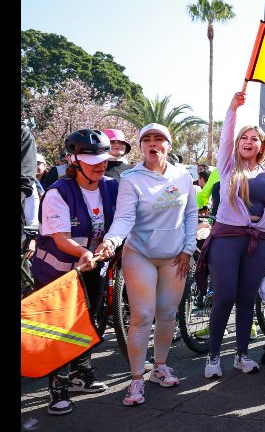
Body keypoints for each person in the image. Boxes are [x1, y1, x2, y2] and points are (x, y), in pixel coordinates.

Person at [96, 123, 198, 407]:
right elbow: (124, 218)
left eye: (159, 139)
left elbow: (191, 214)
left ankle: (160, 367)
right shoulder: (130, 178)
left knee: (166, 314)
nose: (153, 144)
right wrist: (111, 240)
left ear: (169, 144)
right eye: (147, 140)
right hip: (139, 253)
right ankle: (136, 378)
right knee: (142, 315)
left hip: (175, 256)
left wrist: (189, 248)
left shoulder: (183, 176)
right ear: (140, 147)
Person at [30, 129, 117, 415]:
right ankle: (58, 390)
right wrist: (83, 252)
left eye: (104, 158)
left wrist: (109, 246)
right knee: (61, 328)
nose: (101, 164)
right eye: (92, 159)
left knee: (87, 320)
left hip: (91, 268)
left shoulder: (111, 186)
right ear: (74, 160)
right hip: (58, 272)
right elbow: (60, 239)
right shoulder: (58, 192)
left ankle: (82, 375)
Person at [195, 91, 265, 378]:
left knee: (246, 299)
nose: (247, 142)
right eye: (244, 138)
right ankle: (214, 357)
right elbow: (226, 136)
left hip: (258, 243)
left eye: (253, 139)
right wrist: (232, 109)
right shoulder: (228, 167)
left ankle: (242, 355)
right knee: (224, 296)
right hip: (226, 240)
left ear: (261, 146)